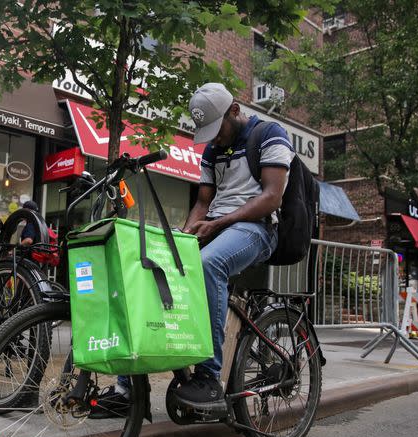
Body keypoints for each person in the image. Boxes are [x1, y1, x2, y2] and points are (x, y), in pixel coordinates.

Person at [91, 82, 293, 417]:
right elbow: (203, 203)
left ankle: (208, 377)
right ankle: (127, 390)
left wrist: (218, 223)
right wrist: (181, 239)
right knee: (150, 264)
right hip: (217, 223)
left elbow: (272, 196)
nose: (214, 139)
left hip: (256, 228)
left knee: (209, 264)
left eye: (218, 129)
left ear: (234, 111)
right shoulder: (213, 151)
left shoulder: (269, 133)